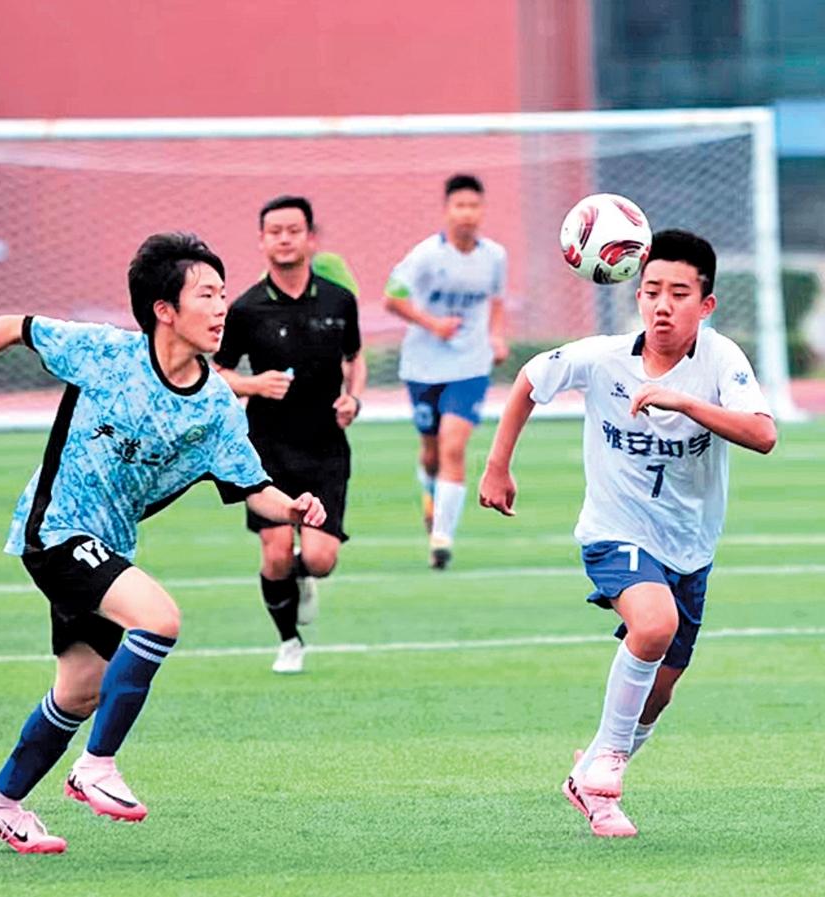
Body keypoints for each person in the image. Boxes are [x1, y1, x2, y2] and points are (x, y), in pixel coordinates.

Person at [0, 232, 326, 855]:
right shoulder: (105, 352)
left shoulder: (215, 405)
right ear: (164, 309)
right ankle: (96, 765)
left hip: (110, 545)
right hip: (55, 529)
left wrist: (293, 507)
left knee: (80, 689)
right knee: (159, 618)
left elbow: (251, 485)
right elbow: (8, 327)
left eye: (224, 294)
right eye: (207, 295)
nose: (221, 308)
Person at [477, 230, 777, 837]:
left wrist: (685, 403)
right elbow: (530, 380)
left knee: (658, 694)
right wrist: (497, 465)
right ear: (636, 295)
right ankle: (609, 760)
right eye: (652, 291)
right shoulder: (603, 358)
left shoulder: (721, 360)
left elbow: (763, 434)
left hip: (689, 546)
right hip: (614, 531)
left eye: (679, 294)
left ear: (706, 304)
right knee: (654, 624)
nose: (663, 305)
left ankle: (588, 779)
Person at [214, 196, 366, 674]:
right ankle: (289, 642)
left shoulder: (340, 301)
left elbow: (354, 359)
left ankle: (304, 578)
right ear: (262, 241)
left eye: (293, 230)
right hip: (266, 450)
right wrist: (253, 385)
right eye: (274, 231)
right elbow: (217, 373)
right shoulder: (244, 309)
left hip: (325, 449)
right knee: (276, 553)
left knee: (320, 559)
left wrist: (353, 398)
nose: (284, 239)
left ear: (311, 239)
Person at [384, 173, 508, 569]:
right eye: (460, 206)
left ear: (482, 210)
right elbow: (392, 298)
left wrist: (496, 337)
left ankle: (441, 539)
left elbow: (497, 301)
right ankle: (430, 494)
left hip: (470, 365)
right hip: (423, 365)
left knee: (454, 446)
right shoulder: (425, 256)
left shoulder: (495, 257)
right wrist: (432, 324)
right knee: (431, 452)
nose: (467, 213)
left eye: (474, 206)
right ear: (447, 210)